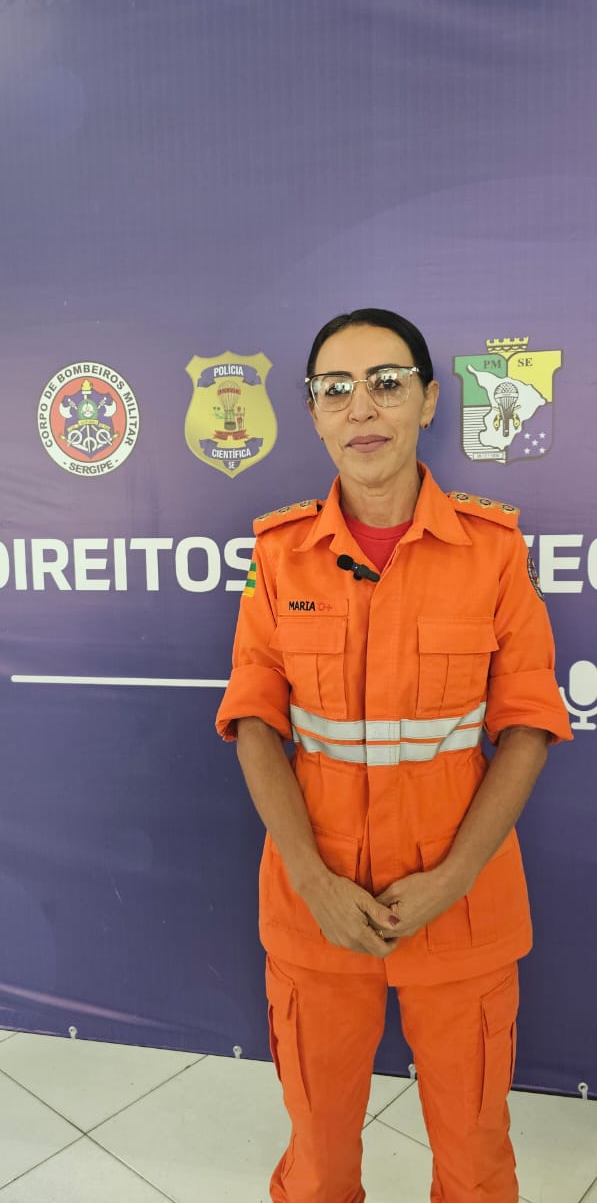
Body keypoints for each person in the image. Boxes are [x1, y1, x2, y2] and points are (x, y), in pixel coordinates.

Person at [215, 308, 572, 1203]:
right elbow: (253, 720)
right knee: (318, 1157)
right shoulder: (279, 555)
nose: (361, 408)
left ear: (427, 400)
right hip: (317, 905)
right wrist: (311, 878)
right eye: (334, 389)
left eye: (386, 383)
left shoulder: (492, 552)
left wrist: (454, 877)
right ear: (312, 413)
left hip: (458, 904)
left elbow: (527, 724)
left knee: (475, 1158)